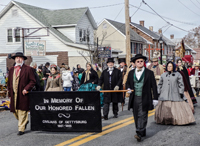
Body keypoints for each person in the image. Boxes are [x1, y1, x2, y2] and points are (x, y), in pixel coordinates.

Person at [126, 54, 158, 142]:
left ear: (144, 62)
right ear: (135, 63)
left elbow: (154, 86)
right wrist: (128, 88)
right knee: (136, 115)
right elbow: (128, 83)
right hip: (135, 97)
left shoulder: (149, 73)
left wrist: (155, 98)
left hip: (145, 97)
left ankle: (139, 132)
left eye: (141, 61)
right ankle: (141, 131)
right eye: (138, 62)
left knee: (143, 114)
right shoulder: (131, 73)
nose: (140, 63)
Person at [155, 61, 195, 125]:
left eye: (170, 66)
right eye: (168, 66)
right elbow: (160, 84)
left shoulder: (178, 74)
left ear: (173, 67)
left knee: (176, 108)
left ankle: (178, 120)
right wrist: (158, 92)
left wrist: (181, 92)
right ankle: (166, 120)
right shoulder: (163, 75)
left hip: (175, 94)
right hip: (164, 94)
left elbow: (181, 84)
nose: (169, 67)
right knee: (165, 109)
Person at [7, 52, 36, 135]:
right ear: (15, 59)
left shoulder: (28, 69)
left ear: (23, 59)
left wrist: (26, 88)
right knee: (15, 111)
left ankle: (21, 129)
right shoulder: (12, 69)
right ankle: (24, 121)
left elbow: (32, 81)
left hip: (23, 94)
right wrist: (9, 93)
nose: (18, 59)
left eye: (20, 58)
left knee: (22, 110)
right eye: (17, 58)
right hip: (14, 94)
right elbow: (9, 82)